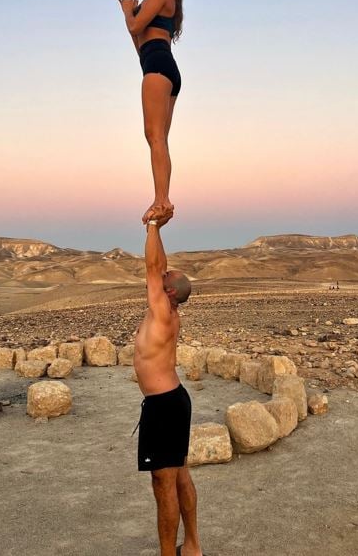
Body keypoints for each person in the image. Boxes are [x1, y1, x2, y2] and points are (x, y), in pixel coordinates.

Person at [134, 215, 204, 556]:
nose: (159, 277)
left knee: (164, 486)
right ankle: (191, 547)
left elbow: (152, 266)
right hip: (174, 400)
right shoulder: (169, 310)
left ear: (170, 292)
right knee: (179, 477)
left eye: (165, 279)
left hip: (163, 406)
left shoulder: (162, 310)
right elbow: (159, 266)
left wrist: (152, 227)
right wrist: (159, 229)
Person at [115, 0, 187, 224]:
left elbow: (134, 27)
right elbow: (139, 41)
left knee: (154, 136)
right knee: (158, 139)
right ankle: (162, 200)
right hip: (157, 64)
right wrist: (132, 14)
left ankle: (162, 200)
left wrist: (127, 12)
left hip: (158, 66)